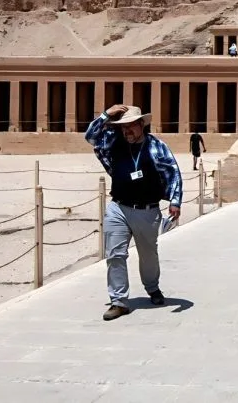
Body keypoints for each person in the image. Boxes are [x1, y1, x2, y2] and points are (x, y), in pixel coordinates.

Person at [86, 105, 183, 321]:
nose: (126, 131)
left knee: (148, 255)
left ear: (142, 125)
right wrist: (106, 115)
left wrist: (175, 201)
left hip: (147, 210)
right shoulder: (114, 143)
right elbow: (91, 136)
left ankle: (152, 288)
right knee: (115, 255)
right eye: (123, 128)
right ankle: (119, 301)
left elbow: (172, 172)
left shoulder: (156, 146)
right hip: (118, 207)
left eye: (130, 126)